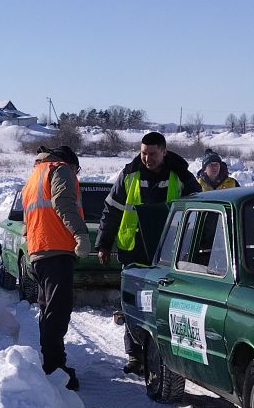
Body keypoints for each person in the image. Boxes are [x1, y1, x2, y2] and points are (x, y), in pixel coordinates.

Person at [98, 131, 199, 370]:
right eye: (143, 153)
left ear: (164, 152)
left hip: (169, 254)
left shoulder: (182, 177)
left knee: (162, 306)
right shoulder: (129, 175)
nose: (147, 158)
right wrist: (103, 244)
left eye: (152, 154)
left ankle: (165, 357)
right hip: (133, 251)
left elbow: (199, 210)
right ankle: (134, 354)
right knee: (133, 304)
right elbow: (111, 211)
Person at [22, 145, 97, 391]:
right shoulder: (60, 169)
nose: (76, 175)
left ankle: (52, 362)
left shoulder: (34, 176)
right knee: (58, 310)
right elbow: (64, 203)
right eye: (77, 170)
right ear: (71, 164)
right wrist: (81, 234)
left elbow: (29, 219)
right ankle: (55, 368)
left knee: (48, 310)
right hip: (56, 249)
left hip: (39, 250)